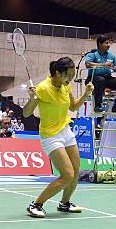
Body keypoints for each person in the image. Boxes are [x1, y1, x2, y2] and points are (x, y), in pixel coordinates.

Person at [23, 57, 94, 218]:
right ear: (57, 73)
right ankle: (36, 205)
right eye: (68, 75)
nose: (71, 78)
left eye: (73, 74)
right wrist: (32, 99)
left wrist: (86, 94)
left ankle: (65, 203)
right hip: (50, 135)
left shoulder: (65, 86)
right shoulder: (42, 88)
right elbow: (26, 113)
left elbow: (73, 107)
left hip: (65, 131)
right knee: (67, 174)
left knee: (76, 172)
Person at [85, 35, 116, 113]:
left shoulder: (111, 55)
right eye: (106, 43)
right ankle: (98, 105)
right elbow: (88, 64)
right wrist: (104, 65)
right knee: (101, 80)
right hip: (93, 79)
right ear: (100, 44)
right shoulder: (93, 54)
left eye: (109, 43)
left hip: (107, 78)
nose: (109, 45)